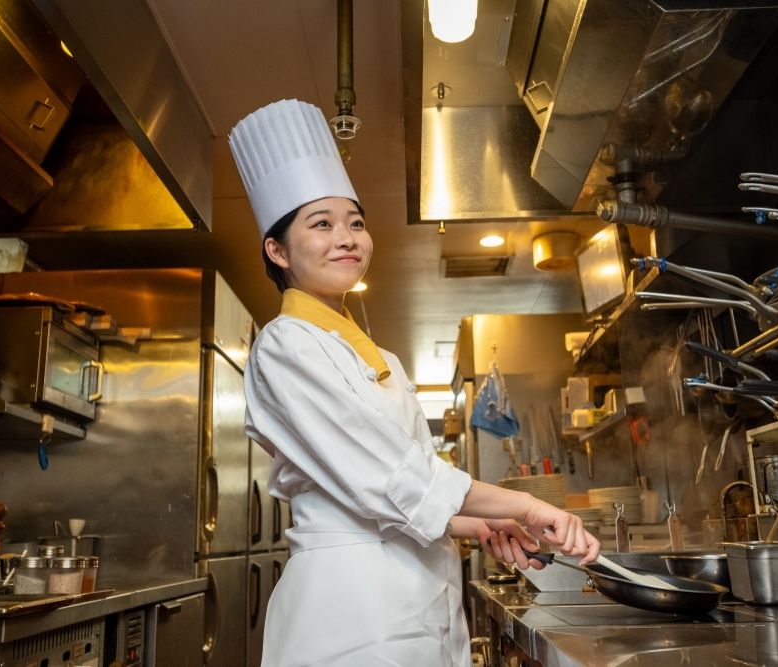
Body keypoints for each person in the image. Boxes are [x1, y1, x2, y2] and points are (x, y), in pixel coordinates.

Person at [230, 99, 600, 667]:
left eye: (355, 222)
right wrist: (524, 505)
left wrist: (477, 523)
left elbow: (411, 487)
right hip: (352, 610)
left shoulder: (384, 359)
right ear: (277, 250)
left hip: (421, 599)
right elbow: (394, 478)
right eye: (321, 225)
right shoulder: (285, 345)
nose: (347, 237)